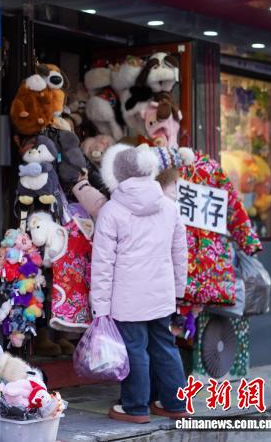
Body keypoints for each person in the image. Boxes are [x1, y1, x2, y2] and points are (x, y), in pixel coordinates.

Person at [90, 144, 189, 424]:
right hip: (162, 294)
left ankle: (135, 407)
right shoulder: (169, 207)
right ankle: (174, 403)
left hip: (127, 298)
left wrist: (100, 308)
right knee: (166, 346)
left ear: (116, 174)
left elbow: (102, 264)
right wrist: (178, 291)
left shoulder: (111, 211)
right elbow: (180, 253)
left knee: (134, 349)